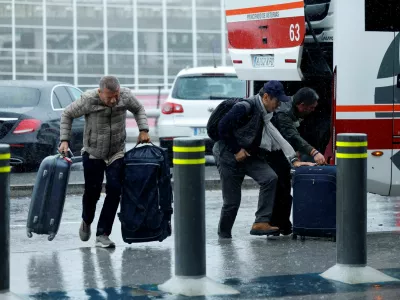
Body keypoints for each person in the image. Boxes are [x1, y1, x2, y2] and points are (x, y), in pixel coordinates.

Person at [213, 81, 314, 239]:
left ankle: (261, 222)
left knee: (270, 178)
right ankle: (224, 236)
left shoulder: (267, 115)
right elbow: (222, 127)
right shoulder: (245, 107)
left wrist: (293, 159)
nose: (279, 105)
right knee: (232, 202)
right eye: (277, 101)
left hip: (248, 155)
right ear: (266, 97)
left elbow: (277, 138)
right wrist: (236, 149)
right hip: (228, 154)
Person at [58, 76, 150, 248]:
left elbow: (138, 109)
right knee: (92, 193)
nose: (114, 100)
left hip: (116, 152)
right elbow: (67, 114)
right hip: (93, 152)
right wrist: (64, 140)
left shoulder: (125, 96)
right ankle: (87, 220)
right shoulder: (88, 100)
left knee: (115, 190)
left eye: (116, 95)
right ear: (100, 92)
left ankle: (103, 233)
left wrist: (143, 129)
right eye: (109, 97)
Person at [268, 87, 325, 235]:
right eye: (311, 107)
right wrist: (314, 152)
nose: (312, 110)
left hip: (280, 151)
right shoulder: (284, 113)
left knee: (284, 188)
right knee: (281, 189)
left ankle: (282, 224)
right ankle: (275, 225)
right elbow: (292, 135)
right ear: (301, 105)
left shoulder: (292, 108)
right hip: (272, 153)